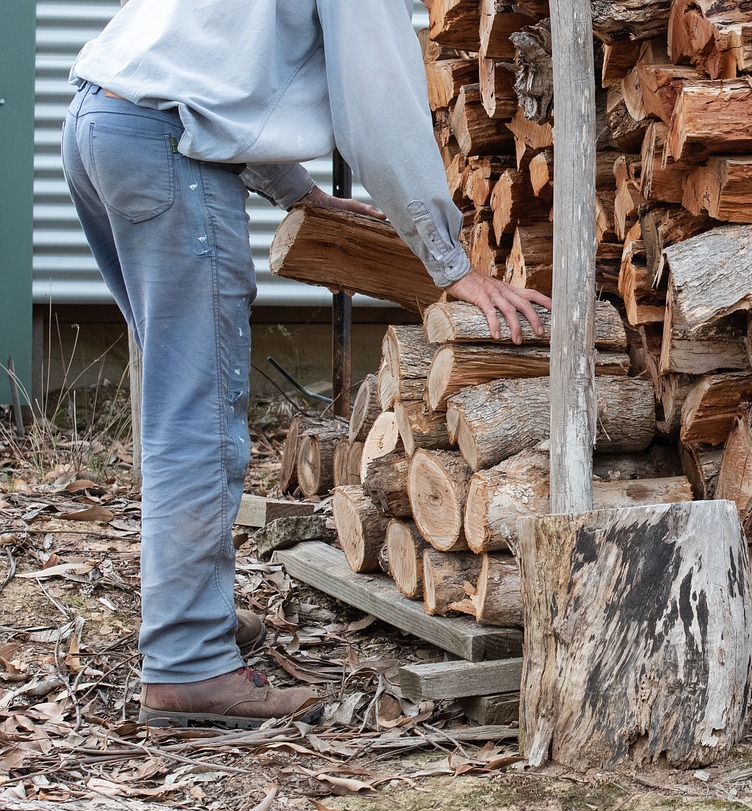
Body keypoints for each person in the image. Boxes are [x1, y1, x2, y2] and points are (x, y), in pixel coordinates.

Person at [61, 0, 551, 728]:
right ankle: (188, 666)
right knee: (197, 413)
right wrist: (449, 263)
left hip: (98, 124)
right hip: (165, 149)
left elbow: (215, 73)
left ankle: (189, 620)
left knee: (175, 400)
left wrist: (301, 193)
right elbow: (379, 116)